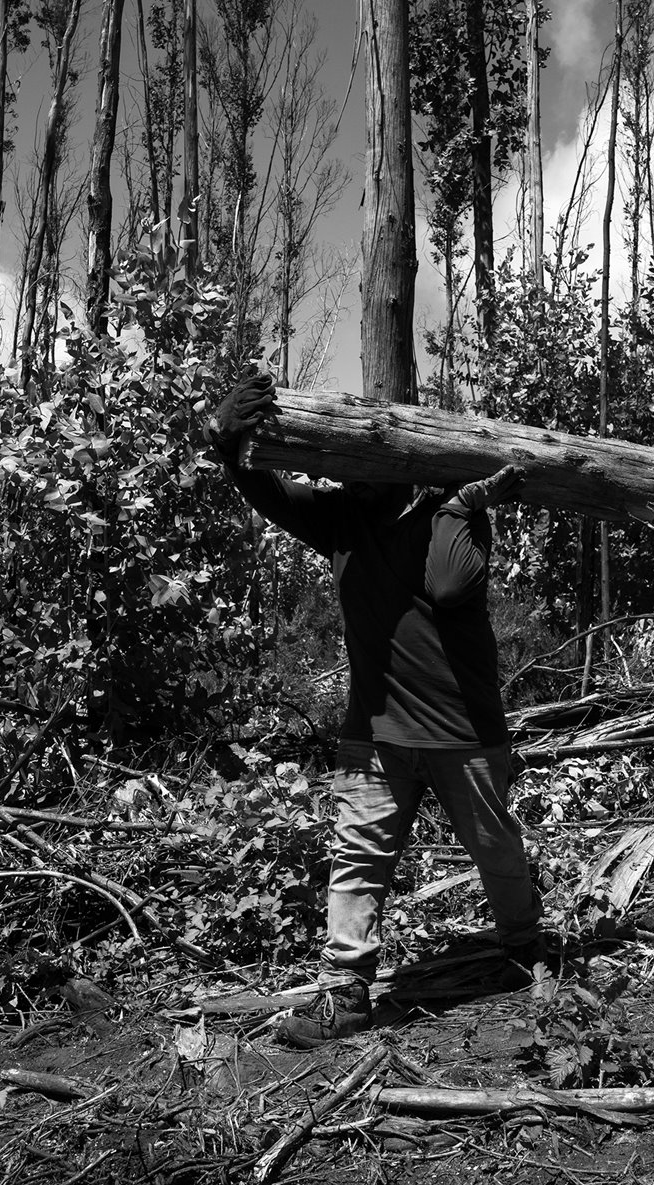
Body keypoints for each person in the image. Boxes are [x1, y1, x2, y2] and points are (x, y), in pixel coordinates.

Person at [206, 372, 548, 1048]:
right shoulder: (341, 519)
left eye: (365, 466)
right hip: (374, 730)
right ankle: (348, 993)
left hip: (462, 731)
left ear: (398, 463)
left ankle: (528, 948)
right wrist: (225, 442)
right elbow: (268, 492)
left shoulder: (452, 511)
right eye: (343, 468)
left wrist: (462, 507)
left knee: (496, 851)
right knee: (358, 856)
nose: (349, 480)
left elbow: (449, 589)